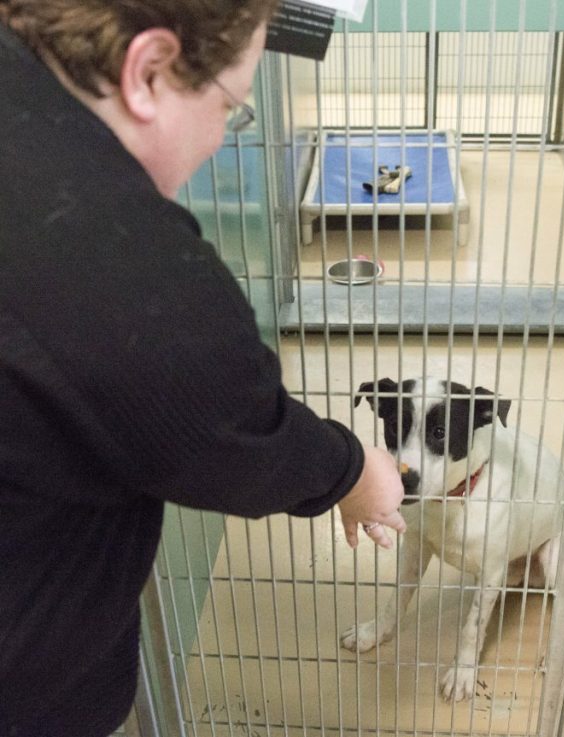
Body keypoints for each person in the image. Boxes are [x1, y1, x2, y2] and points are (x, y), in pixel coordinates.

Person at [0, 2, 405, 735]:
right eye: (231, 106)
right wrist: (354, 471)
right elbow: (236, 426)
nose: (223, 137)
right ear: (147, 71)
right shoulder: (116, 265)